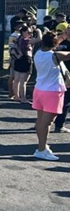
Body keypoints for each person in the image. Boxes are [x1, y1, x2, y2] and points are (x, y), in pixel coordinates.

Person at [31, 31, 70, 161]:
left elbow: (52, 43)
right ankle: (41, 149)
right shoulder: (56, 55)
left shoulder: (38, 52)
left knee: (40, 121)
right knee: (46, 123)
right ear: (54, 44)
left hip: (39, 90)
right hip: (53, 92)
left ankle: (42, 146)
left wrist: (63, 36)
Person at [11, 25, 42, 104]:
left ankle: (16, 96)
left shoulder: (18, 39)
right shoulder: (26, 41)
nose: (30, 33)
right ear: (23, 32)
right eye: (28, 32)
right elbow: (39, 39)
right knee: (23, 81)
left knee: (16, 79)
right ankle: (23, 98)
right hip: (25, 59)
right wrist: (38, 30)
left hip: (18, 59)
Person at [54, 27, 70, 133]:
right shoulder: (60, 42)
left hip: (64, 74)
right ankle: (58, 124)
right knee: (64, 100)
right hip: (61, 74)